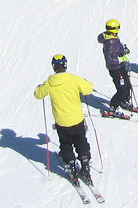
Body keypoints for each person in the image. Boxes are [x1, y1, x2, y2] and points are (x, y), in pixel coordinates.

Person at [34, 54, 95, 184]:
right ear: (65, 65)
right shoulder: (74, 79)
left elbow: (38, 94)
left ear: (54, 67)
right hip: (77, 119)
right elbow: (89, 89)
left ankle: (71, 165)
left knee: (66, 144)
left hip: (61, 122)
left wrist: (40, 87)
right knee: (81, 141)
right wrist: (86, 82)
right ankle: (85, 164)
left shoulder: (50, 83)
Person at [97, 19, 136, 114]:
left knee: (127, 85)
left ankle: (124, 101)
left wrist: (123, 50)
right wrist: (122, 59)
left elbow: (117, 49)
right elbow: (109, 59)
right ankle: (113, 107)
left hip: (120, 66)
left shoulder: (112, 36)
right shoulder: (110, 41)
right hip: (115, 68)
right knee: (122, 89)